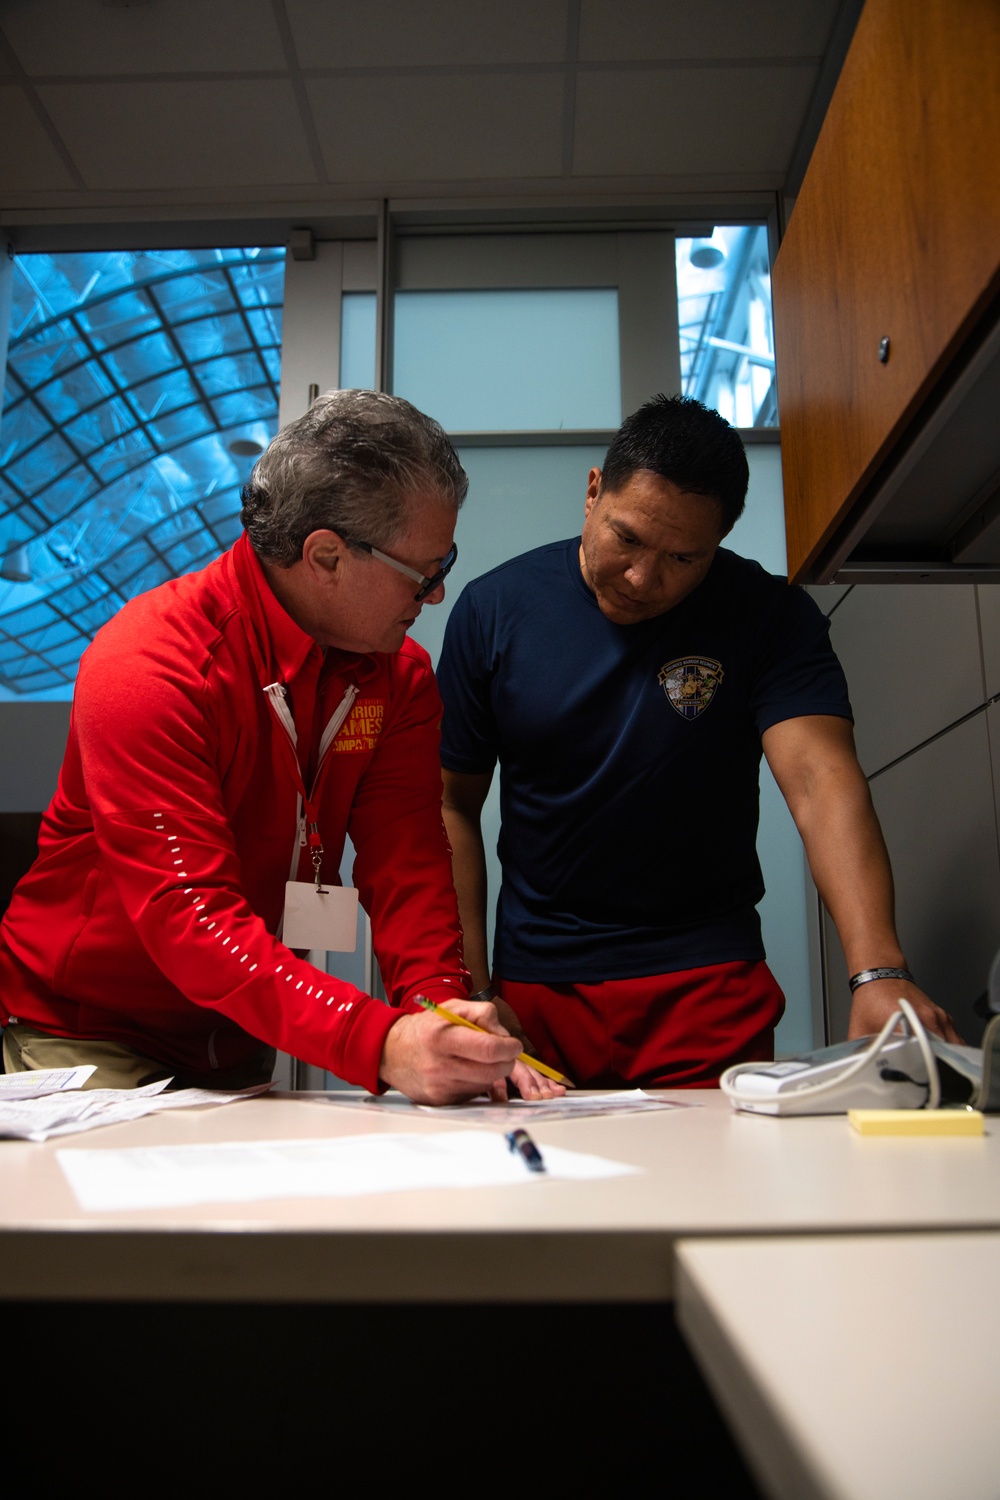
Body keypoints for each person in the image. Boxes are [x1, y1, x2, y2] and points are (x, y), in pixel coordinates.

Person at [0, 389, 558, 1104]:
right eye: (426, 573)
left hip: (236, 1028)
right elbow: (189, 917)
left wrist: (441, 1017)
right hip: (86, 1031)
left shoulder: (398, 679)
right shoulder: (151, 665)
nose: (438, 594)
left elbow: (411, 868)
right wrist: (377, 1042)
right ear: (324, 555)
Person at [437, 394, 960, 1090]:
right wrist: (467, 990)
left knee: (717, 1193)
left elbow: (818, 779)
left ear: (719, 542)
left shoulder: (769, 616)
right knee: (537, 1192)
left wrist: (878, 970)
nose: (642, 578)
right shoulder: (493, 609)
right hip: (539, 988)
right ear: (594, 492)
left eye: (683, 557)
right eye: (627, 538)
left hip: (705, 981)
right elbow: (449, 804)